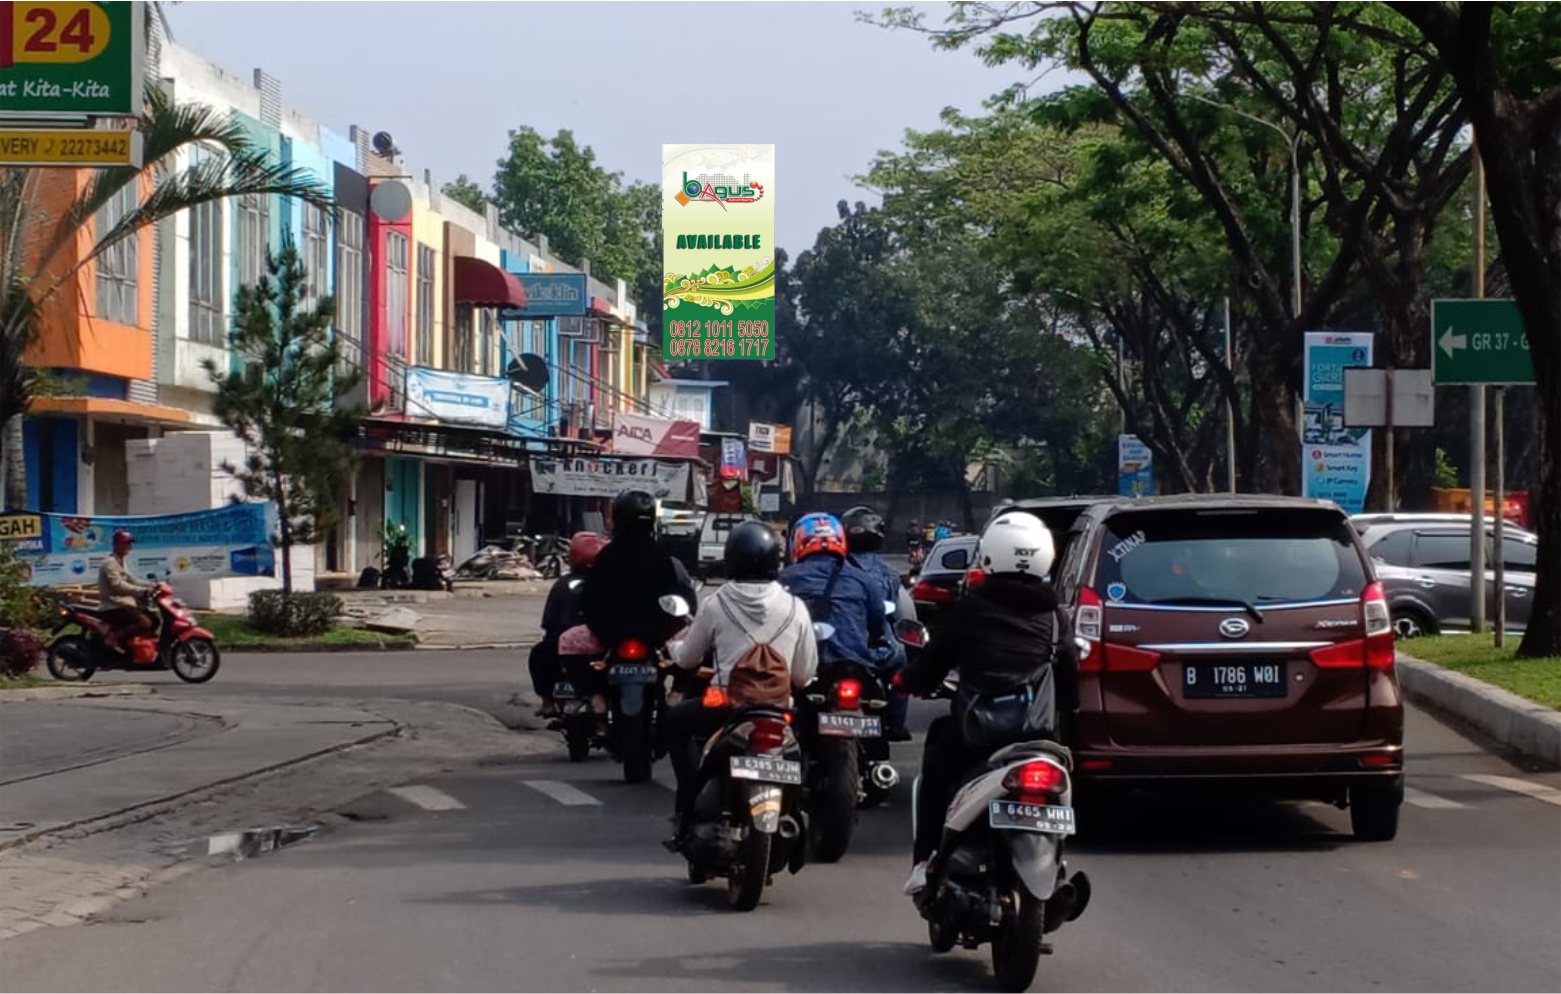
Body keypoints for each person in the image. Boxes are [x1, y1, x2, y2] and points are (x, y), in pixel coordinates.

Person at [895, 510, 1081, 896]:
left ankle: (926, 860)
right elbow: (1069, 682)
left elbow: (933, 663)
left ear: (991, 555)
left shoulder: (972, 609)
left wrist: (905, 681)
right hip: (1035, 736)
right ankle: (1059, 865)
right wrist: (1067, 712)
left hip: (975, 734)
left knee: (935, 774)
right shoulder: (1055, 617)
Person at [663, 521, 817, 846]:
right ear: (776, 559)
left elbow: (689, 659)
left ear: (731, 558)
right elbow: (803, 676)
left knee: (675, 722)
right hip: (779, 710)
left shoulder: (715, 603)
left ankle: (686, 806)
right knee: (807, 749)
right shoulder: (796, 607)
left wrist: (673, 648)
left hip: (725, 706)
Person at [581, 489, 698, 653]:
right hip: (657, 636)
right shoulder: (666, 559)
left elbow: (588, 598)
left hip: (609, 637)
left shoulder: (605, 556)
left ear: (616, 519)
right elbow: (687, 600)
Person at [778, 513, 892, 672]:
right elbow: (877, 623)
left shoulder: (783, 580)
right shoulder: (863, 579)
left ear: (797, 541)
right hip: (854, 666)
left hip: (799, 669)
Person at [842, 505, 916, 741]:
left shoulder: (830, 568)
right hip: (877, 650)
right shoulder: (888, 573)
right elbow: (895, 617)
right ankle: (895, 724)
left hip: (834, 649)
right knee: (901, 659)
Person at [528, 531, 608, 718]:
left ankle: (548, 703)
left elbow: (549, 623)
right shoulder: (608, 583)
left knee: (539, 654)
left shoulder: (563, 584)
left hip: (560, 644)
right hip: (600, 643)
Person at [97, 529, 157, 653]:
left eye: (129, 543)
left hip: (123, 604)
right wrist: (142, 591)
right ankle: (113, 637)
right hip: (112, 605)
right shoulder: (110, 562)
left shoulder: (121, 561)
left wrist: (153, 585)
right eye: (125, 543)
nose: (129, 547)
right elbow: (117, 586)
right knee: (145, 623)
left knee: (155, 619)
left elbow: (132, 579)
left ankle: (135, 647)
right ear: (116, 544)